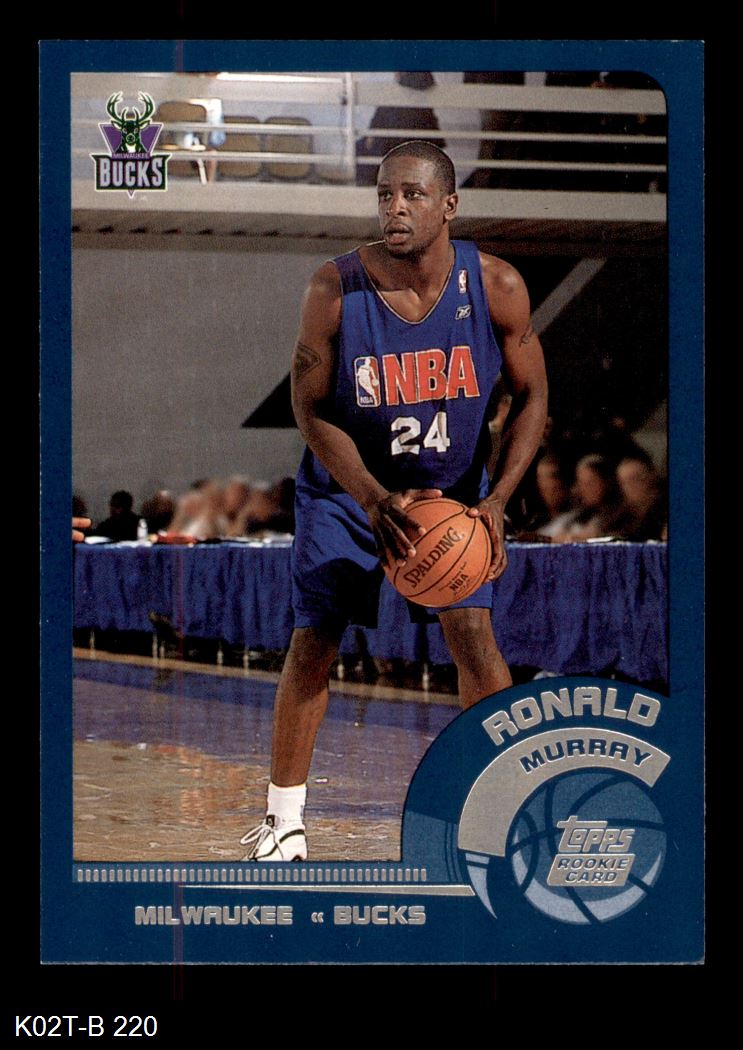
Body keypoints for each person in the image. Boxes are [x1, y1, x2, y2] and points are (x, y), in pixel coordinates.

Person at [240, 141, 548, 861]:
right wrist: (372, 496)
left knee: (473, 638)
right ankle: (284, 823)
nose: (394, 208)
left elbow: (533, 395)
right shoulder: (334, 287)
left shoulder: (497, 285)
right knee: (314, 639)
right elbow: (309, 407)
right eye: (384, 194)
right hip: (349, 492)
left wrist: (498, 500)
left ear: (449, 205)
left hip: (453, 495)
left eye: (412, 194)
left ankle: (498, 812)